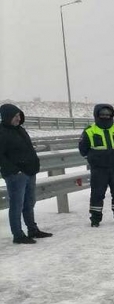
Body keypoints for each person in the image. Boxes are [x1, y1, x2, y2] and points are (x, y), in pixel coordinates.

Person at [0, 103, 53, 244]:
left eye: (19, 115)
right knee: (16, 205)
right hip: (15, 175)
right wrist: (15, 170)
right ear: (6, 117)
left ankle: (33, 229)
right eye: (14, 116)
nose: (17, 118)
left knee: (29, 203)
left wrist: (34, 164)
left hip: (29, 172)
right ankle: (18, 235)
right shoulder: (2, 132)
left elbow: (28, 149)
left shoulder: (20, 130)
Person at [78, 104, 114, 227]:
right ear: (97, 115)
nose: (105, 116)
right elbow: (83, 149)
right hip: (98, 169)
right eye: (102, 114)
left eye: (108, 114)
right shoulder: (89, 131)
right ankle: (95, 219)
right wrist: (94, 159)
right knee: (97, 194)